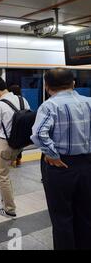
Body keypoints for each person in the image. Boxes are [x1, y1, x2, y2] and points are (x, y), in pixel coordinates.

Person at [31, 68, 91, 250]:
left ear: (47, 86)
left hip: (61, 166)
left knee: (61, 216)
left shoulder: (49, 105)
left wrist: (52, 155)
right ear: (73, 83)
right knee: (86, 213)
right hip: (88, 164)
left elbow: (39, 134)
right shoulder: (89, 102)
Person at [0, 76, 30, 218]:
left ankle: (9, 209)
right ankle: (6, 200)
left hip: (5, 144)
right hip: (20, 144)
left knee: (2, 176)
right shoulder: (23, 100)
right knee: (6, 174)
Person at [8, 84, 23, 167]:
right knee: (20, 144)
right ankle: (19, 160)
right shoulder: (22, 99)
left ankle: (12, 160)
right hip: (21, 124)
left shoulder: (10, 100)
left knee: (13, 143)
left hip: (13, 124)